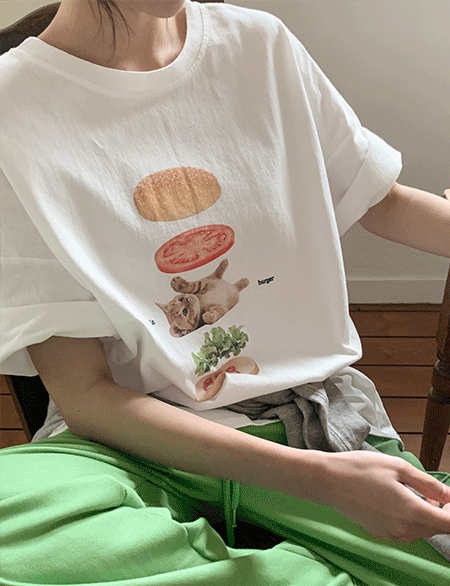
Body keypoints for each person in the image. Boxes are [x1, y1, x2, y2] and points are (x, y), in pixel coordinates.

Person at [1, 1, 450, 584]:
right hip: (128, 447)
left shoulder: (259, 45)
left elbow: (383, 202)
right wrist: (319, 483)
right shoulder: (11, 107)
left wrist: (325, 475)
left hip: (308, 424)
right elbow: (86, 395)